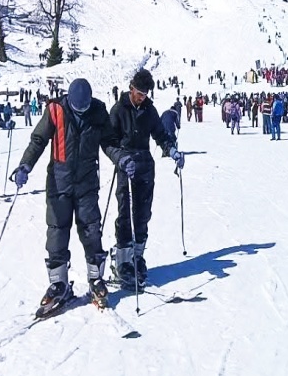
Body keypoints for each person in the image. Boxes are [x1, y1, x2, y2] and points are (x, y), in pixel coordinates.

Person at [12, 79, 117, 315]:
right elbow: (38, 140)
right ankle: (58, 283)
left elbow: (109, 142)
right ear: (69, 100)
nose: (82, 111)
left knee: (91, 229)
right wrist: (25, 166)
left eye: (85, 107)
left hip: (87, 182)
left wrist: (121, 158)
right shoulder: (55, 110)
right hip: (59, 181)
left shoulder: (98, 111)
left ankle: (95, 279)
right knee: (57, 230)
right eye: (78, 108)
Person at [102, 70, 183, 291]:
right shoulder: (118, 110)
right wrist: (120, 158)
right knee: (126, 214)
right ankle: (123, 261)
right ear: (131, 89)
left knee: (143, 214)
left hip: (146, 166)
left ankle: (137, 257)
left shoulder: (149, 110)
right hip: (126, 168)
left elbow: (160, 133)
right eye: (139, 93)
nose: (142, 97)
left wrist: (171, 149)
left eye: (145, 94)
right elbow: (108, 141)